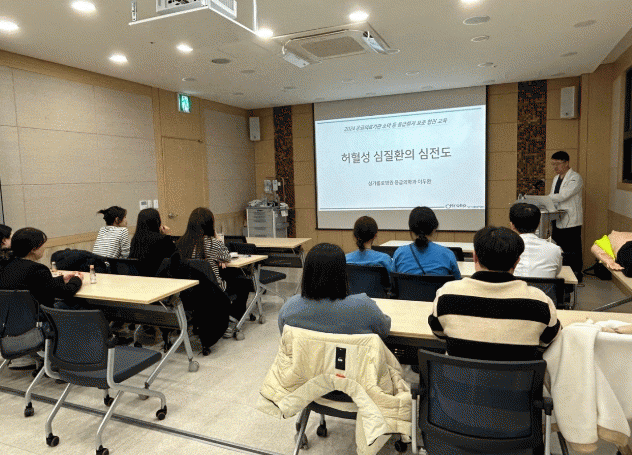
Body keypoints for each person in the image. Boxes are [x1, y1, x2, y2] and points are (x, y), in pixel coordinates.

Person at [428, 226, 561, 361]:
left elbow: (438, 333)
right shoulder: (540, 301)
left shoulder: (446, 294)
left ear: (475, 257)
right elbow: (547, 341)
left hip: (459, 375)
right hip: (516, 375)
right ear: (517, 262)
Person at [278, 242, 391, 337]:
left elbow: (285, 338)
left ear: (307, 273)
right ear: (342, 273)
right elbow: (384, 330)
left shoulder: (289, 308)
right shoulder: (364, 306)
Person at [176, 207, 250, 338]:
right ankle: (232, 319)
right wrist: (217, 238)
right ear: (210, 224)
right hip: (212, 291)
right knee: (243, 283)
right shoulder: (212, 243)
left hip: (189, 293)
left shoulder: (181, 243)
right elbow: (226, 257)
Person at [0, 227, 83, 309]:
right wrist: (77, 279)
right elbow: (65, 293)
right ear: (33, 249)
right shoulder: (38, 269)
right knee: (81, 304)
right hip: (41, 315)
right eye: (42, 244)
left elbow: (42, 284)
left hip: (14, 315)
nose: (44, 247)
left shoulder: (7, 265)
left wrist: (62, 279)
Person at [393, 206, 461, 278]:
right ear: (434, 229)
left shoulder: (399, 254)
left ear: (411, 230)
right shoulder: (447, 254)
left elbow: (392, 280)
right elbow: (457, 281)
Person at [549, 151, 583, 281]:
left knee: (572, 249)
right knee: (559, 248)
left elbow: (563, 196)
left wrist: (545, 198)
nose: (555, 167)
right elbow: (554, 197)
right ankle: (561, 275)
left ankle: (575, 275)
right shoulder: (556, 178)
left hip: (571, 220)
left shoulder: (575, 177)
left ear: (567, 162)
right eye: (553, 164)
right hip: (557, 219)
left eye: (557, 163)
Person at [510, 202, 562, 278]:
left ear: (512, 225)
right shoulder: (555, 249)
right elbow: (556, 273)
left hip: (515, 285)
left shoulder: (506, 248)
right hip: (544, 286)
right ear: (539, 224)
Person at [129, 208, 175, 277]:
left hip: (139, 278)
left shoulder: (135, 239)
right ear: (157, 221)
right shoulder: (163, 239)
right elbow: (175, 256)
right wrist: (168, 235)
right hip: (160, 278)